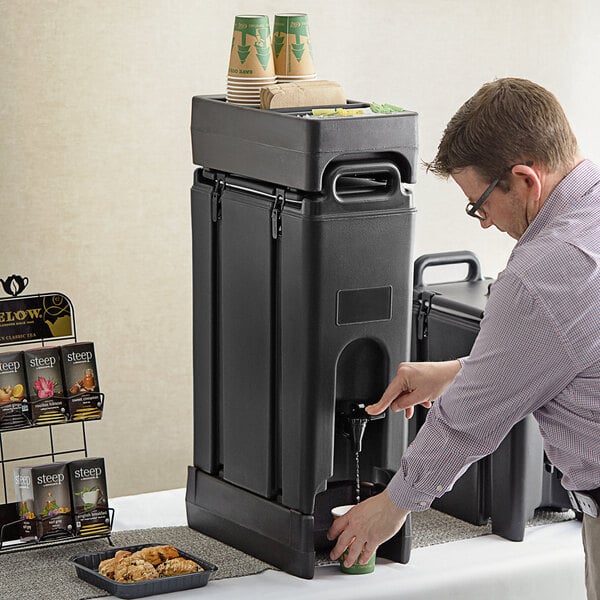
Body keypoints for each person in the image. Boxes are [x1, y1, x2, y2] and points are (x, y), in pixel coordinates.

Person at [327, 77, 600, 599]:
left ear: (524, 179)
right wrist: (455, 373)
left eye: (480, 204)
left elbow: (467, 425)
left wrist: (392, 506)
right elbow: (574, 346)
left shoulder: (548, 269)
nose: (483, 223)